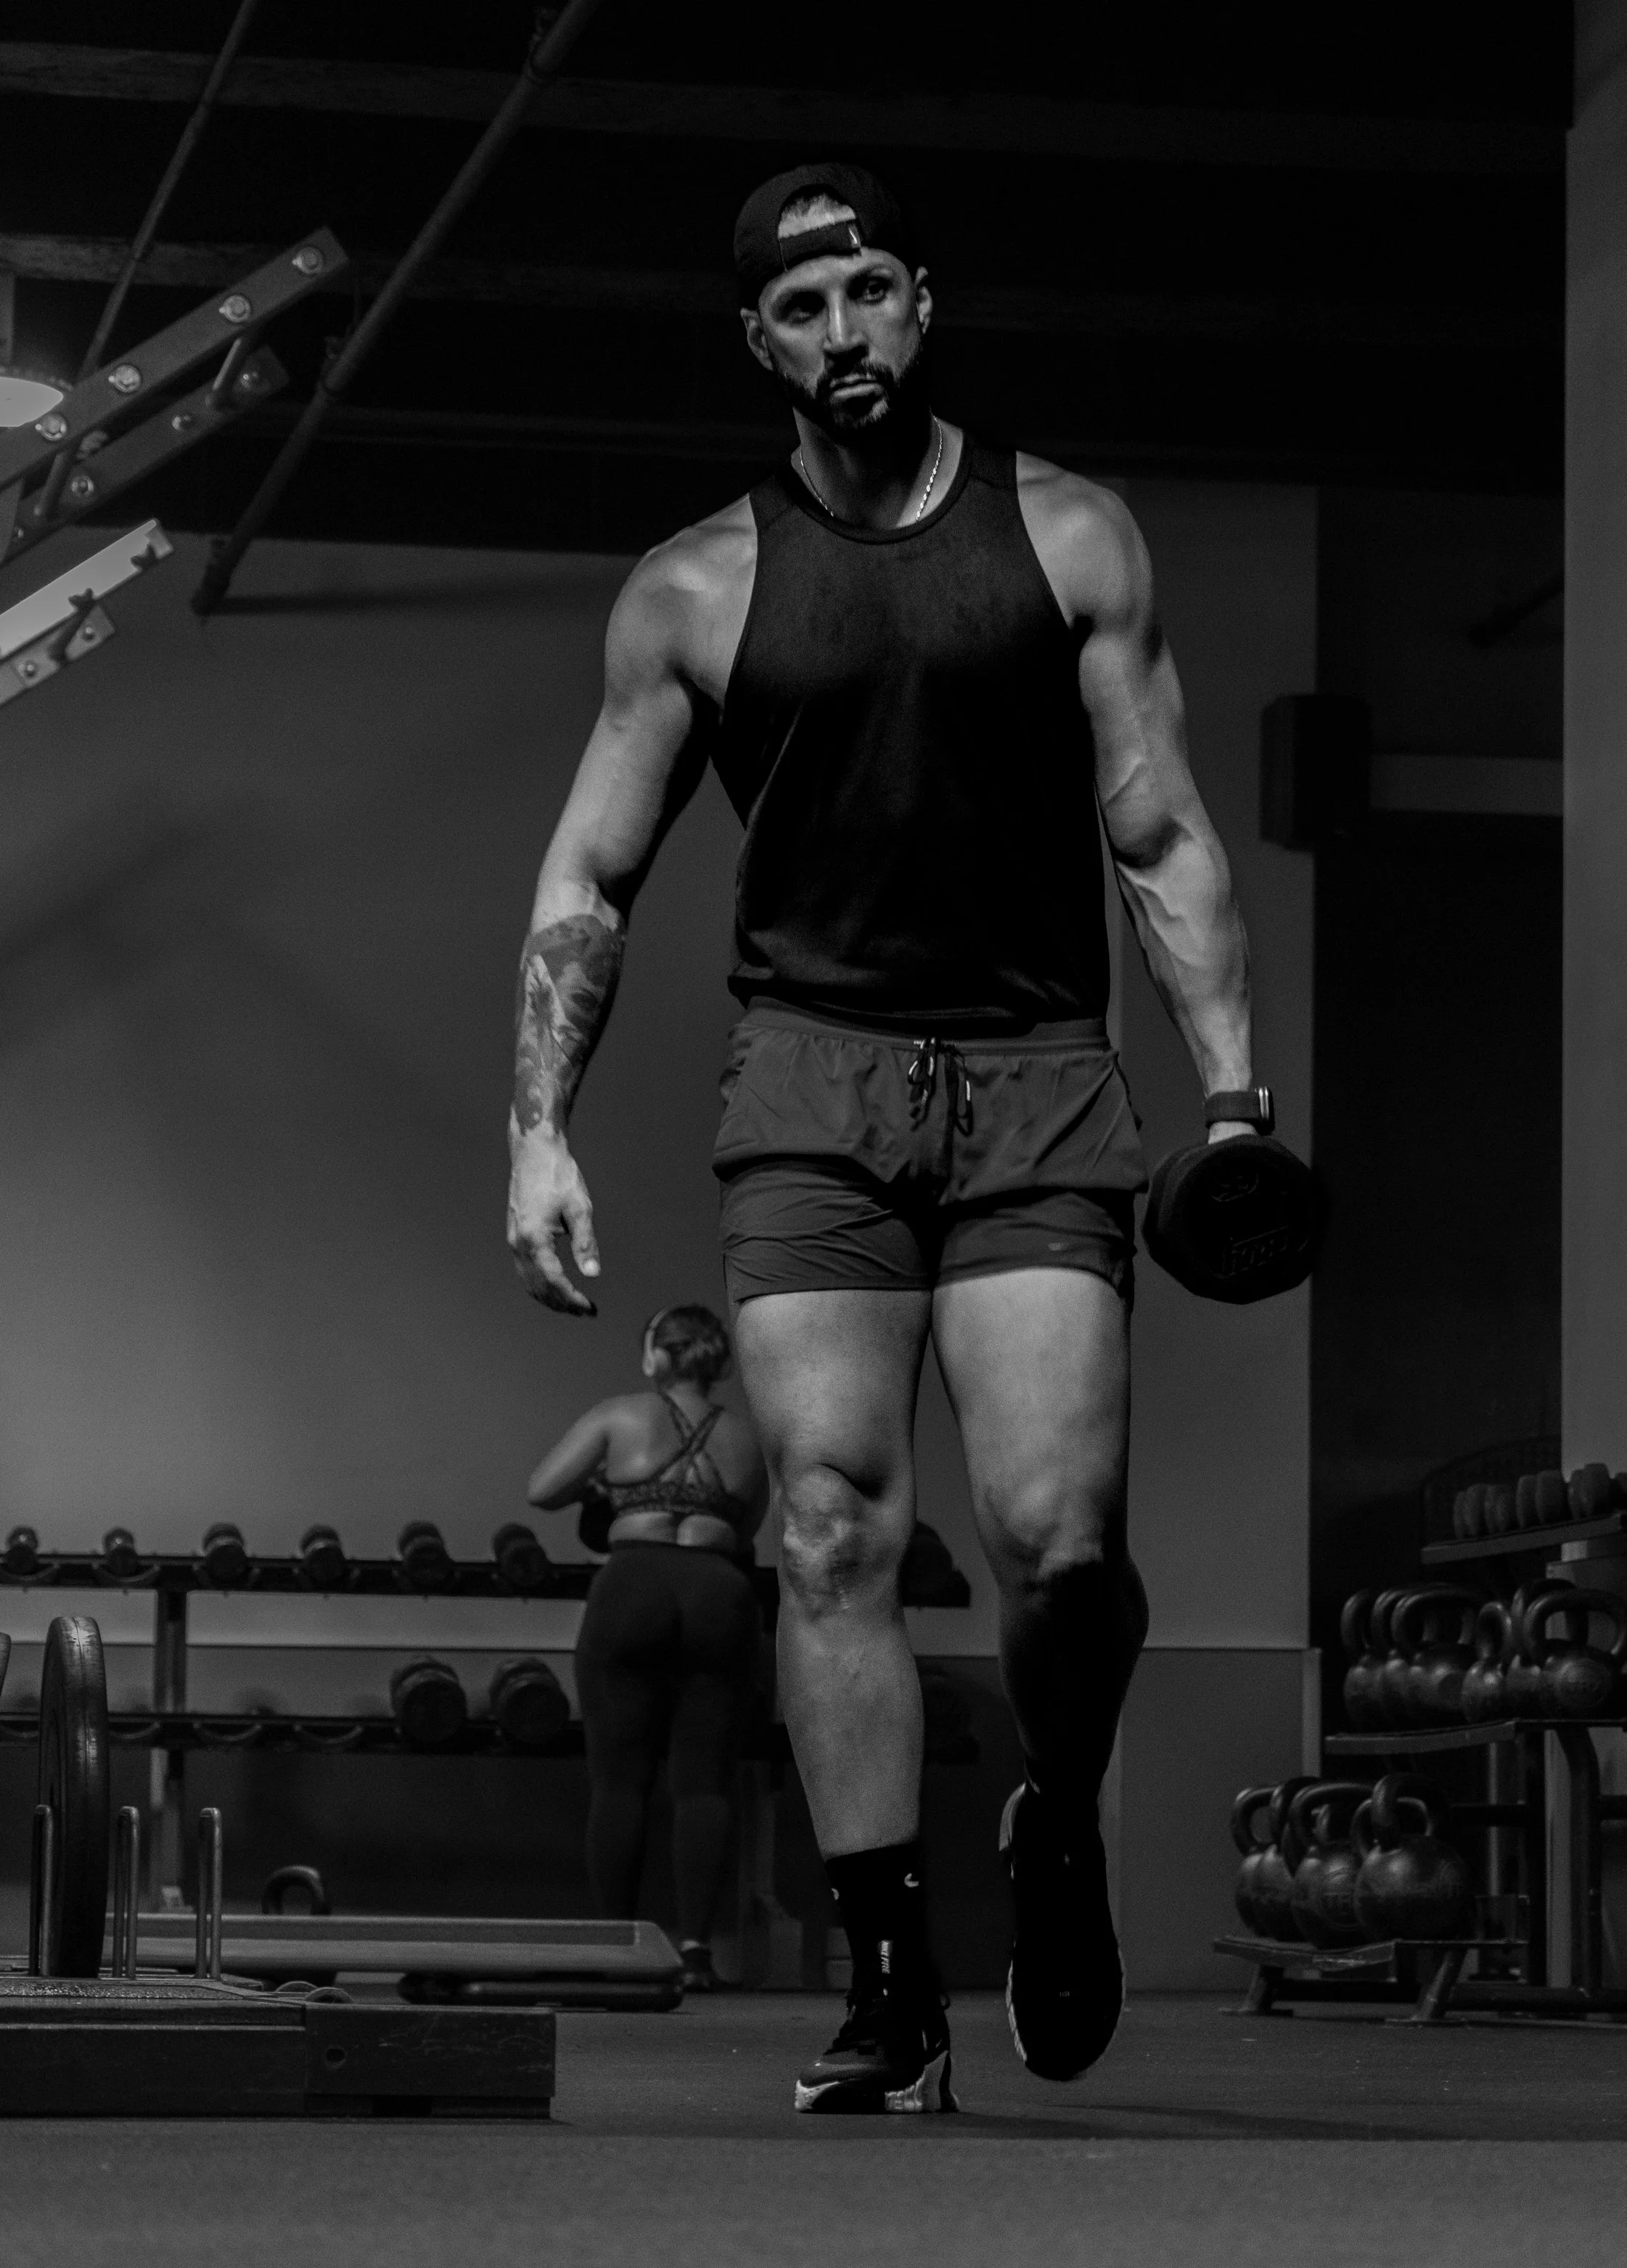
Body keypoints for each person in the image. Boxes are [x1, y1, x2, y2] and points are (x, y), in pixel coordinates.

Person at [507, 161, 1261, 2111]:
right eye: (799, 308)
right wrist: (539, 1129)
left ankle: (1059, 1820)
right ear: (753, 341)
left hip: (1033, 1071)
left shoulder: (1070, 535)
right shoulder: (693, 587)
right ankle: (889, 1989)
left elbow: (1159, 828)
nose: (842, 334)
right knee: (829, 1521)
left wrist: (1236, 1095)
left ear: (919, 301)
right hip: (811, 1080)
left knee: (1057, 1544)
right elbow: (589, 866)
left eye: (867, 292)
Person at [528, 1303, 768, 1992]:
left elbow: (541, 1489)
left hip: (632, 1586)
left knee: (620, 1779)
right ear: (716, 1362)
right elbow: (748, 1527)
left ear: (657, 1356)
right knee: (704, 1783)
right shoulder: (749, 1439)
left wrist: (606, 1482)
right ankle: (695, 1952)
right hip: (718, 1594)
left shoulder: (620, 1414)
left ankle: (619, 1950)